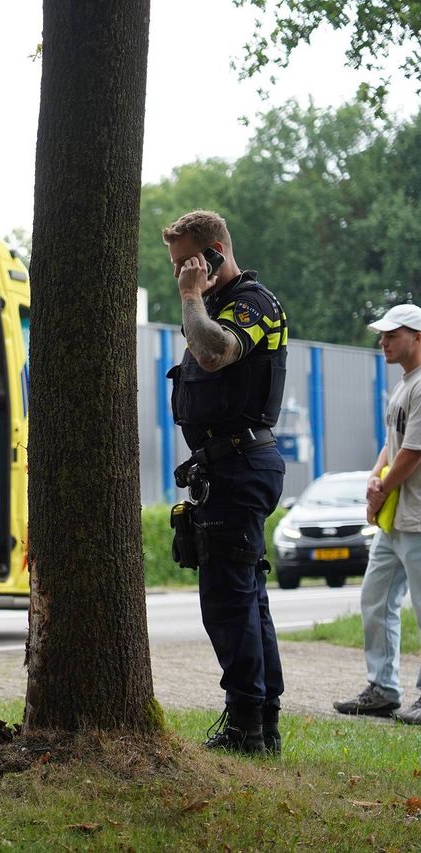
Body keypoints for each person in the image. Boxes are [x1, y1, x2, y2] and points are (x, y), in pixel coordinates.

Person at [164, 210, 288, 754]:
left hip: (243, 465)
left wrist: (191, 297)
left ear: (215, 250)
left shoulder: (255, 303)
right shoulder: (215, 306)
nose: (181, 275)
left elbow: (215, 354)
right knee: (245, 598)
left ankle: (246, 725)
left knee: (228, 601)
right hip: (224, 468)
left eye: (187, 262)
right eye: (176, 268)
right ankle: (260, 722)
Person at [334, 304, 421, 724]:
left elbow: (415, 452)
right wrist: (374, 478)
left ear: (418, 337)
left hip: (418, 518)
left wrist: (382, 489)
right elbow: (394, 442)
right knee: (376, 598)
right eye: (382, 335)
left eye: (393, 334)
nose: (383, 342)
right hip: (396, 519)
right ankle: (383, 690)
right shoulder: (404, 385)